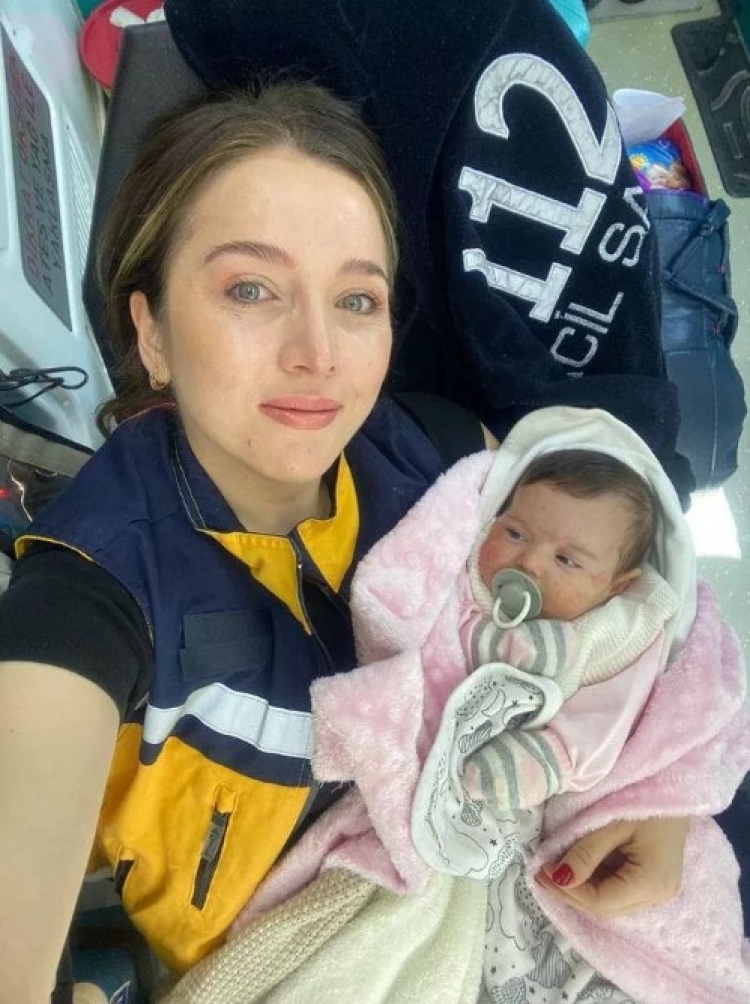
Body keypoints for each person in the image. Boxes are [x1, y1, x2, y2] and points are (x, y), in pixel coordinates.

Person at [0, 83, 697, 1002]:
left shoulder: (439, 455)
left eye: (357, 300)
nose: (318, 353)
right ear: (151, 331)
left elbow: (641, 580)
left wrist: (663, 792)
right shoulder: (88, 602)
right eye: (252, 290)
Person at [458, 448, 680, 814]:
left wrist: (550, 758)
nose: (530, 562)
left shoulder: (613, 636)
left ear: (616, 587)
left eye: (565, 559)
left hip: (519, 785)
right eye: (515, 533)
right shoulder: (464, 566)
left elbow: (609, 717)